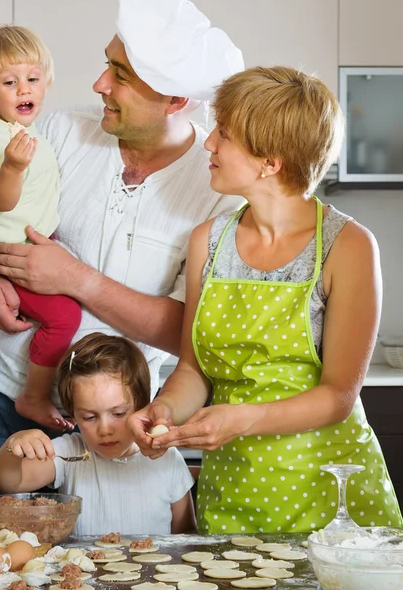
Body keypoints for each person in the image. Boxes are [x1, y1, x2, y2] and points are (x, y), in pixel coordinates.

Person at [0, 0, 244, 526]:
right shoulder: (63, 131)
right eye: (106, 64)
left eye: (120, 74)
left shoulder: (218, 189)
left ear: (175, 100)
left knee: (110, 564)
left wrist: (77, 279)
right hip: (0, 387)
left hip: (110, 422)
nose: (98, 84)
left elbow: (190, 330)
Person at [129, 66, 403, 534]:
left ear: (269, 161)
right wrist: (166, 410)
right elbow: (194, 369)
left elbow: (338, 396)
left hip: (328, 495)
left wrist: (242, 419)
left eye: (225, 134)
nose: (208, 142)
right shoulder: (207, 242)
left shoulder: (347, 245)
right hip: (233, 488)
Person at [0, 25, 81, 431]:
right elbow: (2, 200)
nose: (23, 89)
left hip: (17, 241)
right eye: (9, 82)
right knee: (64, 316)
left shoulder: (21, 131)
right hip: (8, 255)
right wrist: (12, 167)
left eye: (32, 79)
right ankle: (34, 396)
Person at [0, 332, 196, 535]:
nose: (105, 429)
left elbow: (185, 534)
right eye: (90, 417)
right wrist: (14, 445)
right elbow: (8, 482)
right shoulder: (70, 452)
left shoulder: (166, 458)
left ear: (142, 407)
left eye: (118, 413)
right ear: (73, 414)